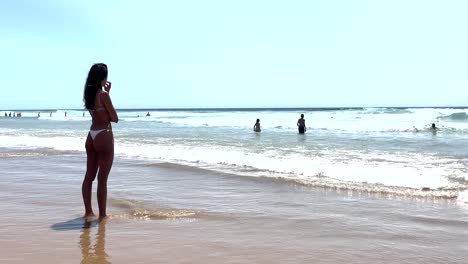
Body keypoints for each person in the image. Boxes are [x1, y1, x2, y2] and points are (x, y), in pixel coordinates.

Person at [82, 63, 118, 219]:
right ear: (103, 78)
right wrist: (108, 93)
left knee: (89, 177)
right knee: (102, 179)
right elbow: (115, 118)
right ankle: (103, 215)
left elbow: (97, 114)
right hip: (104, 134)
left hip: (91, 135)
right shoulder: (103, 95)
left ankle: (88, 212)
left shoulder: (88, 95)